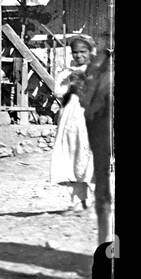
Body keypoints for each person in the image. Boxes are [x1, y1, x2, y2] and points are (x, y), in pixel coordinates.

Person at [50, 34, 95, 213]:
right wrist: (71, 82)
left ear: (90, 52)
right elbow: (58, 91)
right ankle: (78, 201)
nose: (78, 56)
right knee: (71, 154)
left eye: (83, 52)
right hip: (70, 118)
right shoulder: (66, 72)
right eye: (75, 52)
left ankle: (93, 202)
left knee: (88, 155)